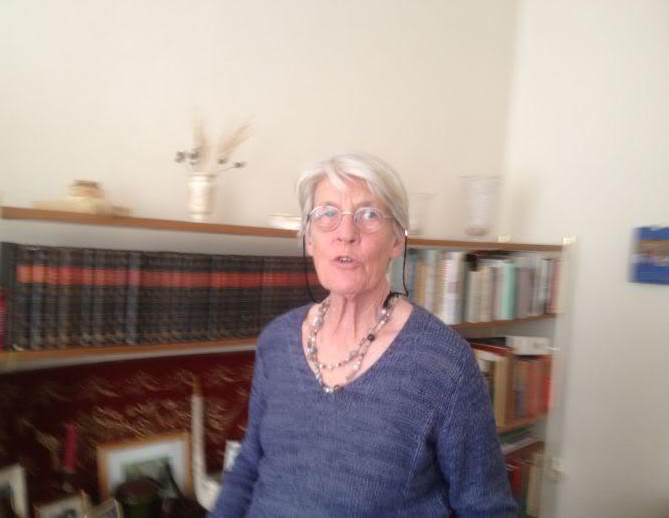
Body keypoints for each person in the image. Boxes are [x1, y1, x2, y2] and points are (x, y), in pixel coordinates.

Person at [211, 153, 517, 517]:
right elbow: (248, 466)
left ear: (397, 240)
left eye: (368, 215)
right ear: (309, 238)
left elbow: (487, 508)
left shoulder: (444, 364)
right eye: (327, 214)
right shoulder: (276, 341)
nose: (345, 233)